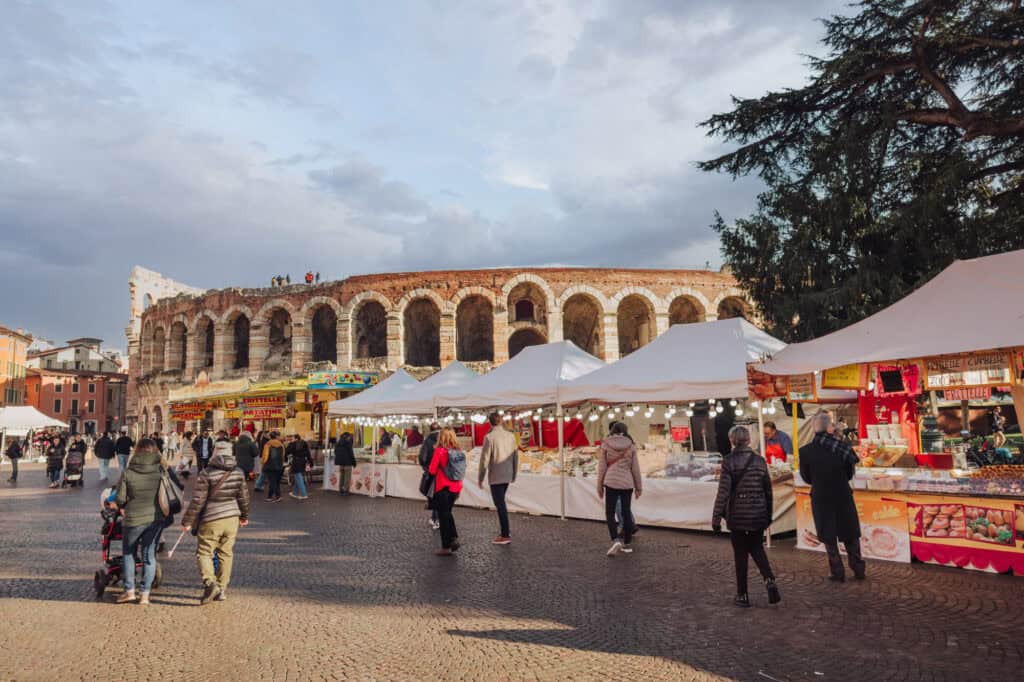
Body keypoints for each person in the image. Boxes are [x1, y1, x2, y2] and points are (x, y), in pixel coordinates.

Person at [712, 425, 781, 608]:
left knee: (740, 554)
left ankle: (742, 595)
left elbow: (723, 492)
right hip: (758, 513)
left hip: (737, 516)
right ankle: (769, 579)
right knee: (757, 548)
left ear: (732, 441)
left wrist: (716, 517)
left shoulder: (728, 461)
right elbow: (768, 491)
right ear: (749, 440)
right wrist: (768, 515)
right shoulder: (760, 461)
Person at [181, 439, 250, 605]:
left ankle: (210, 583)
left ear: (214, 452)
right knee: (226, 553)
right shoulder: (238, 472)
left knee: (205, 552)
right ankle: (222, 588)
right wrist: (244, 516)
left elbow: (198, 500)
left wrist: (187, 521)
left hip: (211, 518)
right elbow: (244, 497)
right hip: (232, 517)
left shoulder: (207, 473)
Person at [799, 412, 865, 582]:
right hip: (842, 493)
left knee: (828, 535)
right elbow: (850, 473)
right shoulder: (842, 447)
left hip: (821, 496)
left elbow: (806, 477)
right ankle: (858, 568)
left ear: (814, 429)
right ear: (829, 428)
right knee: (850, 532)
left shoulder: (805, 451)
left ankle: (837, 571)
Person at [113, 439, 166, 605]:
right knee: (149, 556)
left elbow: (120, 499)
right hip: (155, 519)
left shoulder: (128, 472)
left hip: (133, 519)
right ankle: (145, 595)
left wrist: (123, 506)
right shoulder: (161, 471)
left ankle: (129, 591)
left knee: (129, 553)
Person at [597, 421, 642, 557]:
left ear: (612, 430)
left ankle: (615, 539)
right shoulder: (631, 445)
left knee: (610, 512)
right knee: (626, 511)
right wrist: (638, 487)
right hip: (627, 482)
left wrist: (599, 486)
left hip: (611, 481)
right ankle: (627, 543)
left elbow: (602, 467)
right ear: (625, 431)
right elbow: (635, 468)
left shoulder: (606, 444)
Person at [478, 413, 519, 545]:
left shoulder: (489, 437)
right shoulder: (511, 436)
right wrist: (514, 474)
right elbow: (515, 456)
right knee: (501, 503)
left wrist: (480, 478)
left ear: (490, 423)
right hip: (507, 473)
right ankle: (505, 531)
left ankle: (505, 534)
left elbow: (484, 460)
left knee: (500, 504)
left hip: (496, 475)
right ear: (501, 421)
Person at [428, 428, 464, 556]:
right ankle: (453, 538)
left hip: (443, 487)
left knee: (443, 516)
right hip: (456, 487)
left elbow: (432, 470)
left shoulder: (439, 451)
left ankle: (446, 546)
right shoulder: (458, 450)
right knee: (447, 512)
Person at [419, 422, 441, 529]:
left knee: (434, 495)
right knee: (438, 495)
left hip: (432, 471)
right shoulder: (443, 439)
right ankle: (435, 518)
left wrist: (426, 468)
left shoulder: (427, 441)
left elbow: (422, 458)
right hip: (443, 471)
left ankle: (436, 519)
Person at [260, 431, 285, 502]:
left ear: (270, 437)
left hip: (270, 465)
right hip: (279, 464)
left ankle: (278, 496)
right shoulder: (281, 445)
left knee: (272, 481)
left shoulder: (267, 444)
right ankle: (269, 496)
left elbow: (265, 456)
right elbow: (283, 455)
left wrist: (263, 463)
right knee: (276, 481)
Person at [288, 434, 311, 500]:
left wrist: (291, 443)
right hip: (303, 461)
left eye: (292, 438)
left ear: (296, 439)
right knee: (297, 477)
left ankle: (304, 494)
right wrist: (310, 462)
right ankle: (294, 493)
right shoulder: (304, 443)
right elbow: (308, 453)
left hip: (296, 462)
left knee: (298, 477)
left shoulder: (293, 444)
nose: (291, 439)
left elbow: (288, 451)